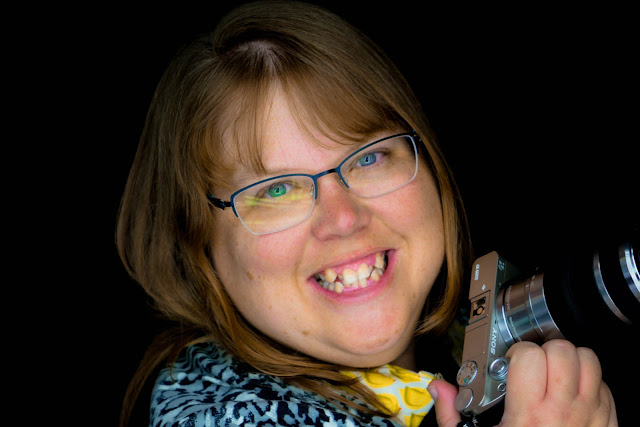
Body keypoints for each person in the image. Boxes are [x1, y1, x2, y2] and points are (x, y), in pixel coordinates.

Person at [116, 1, 617, 425]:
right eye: (276, 190)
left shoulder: (469, 339)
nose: (343, 218)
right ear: (195, 238)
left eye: (369, 158)